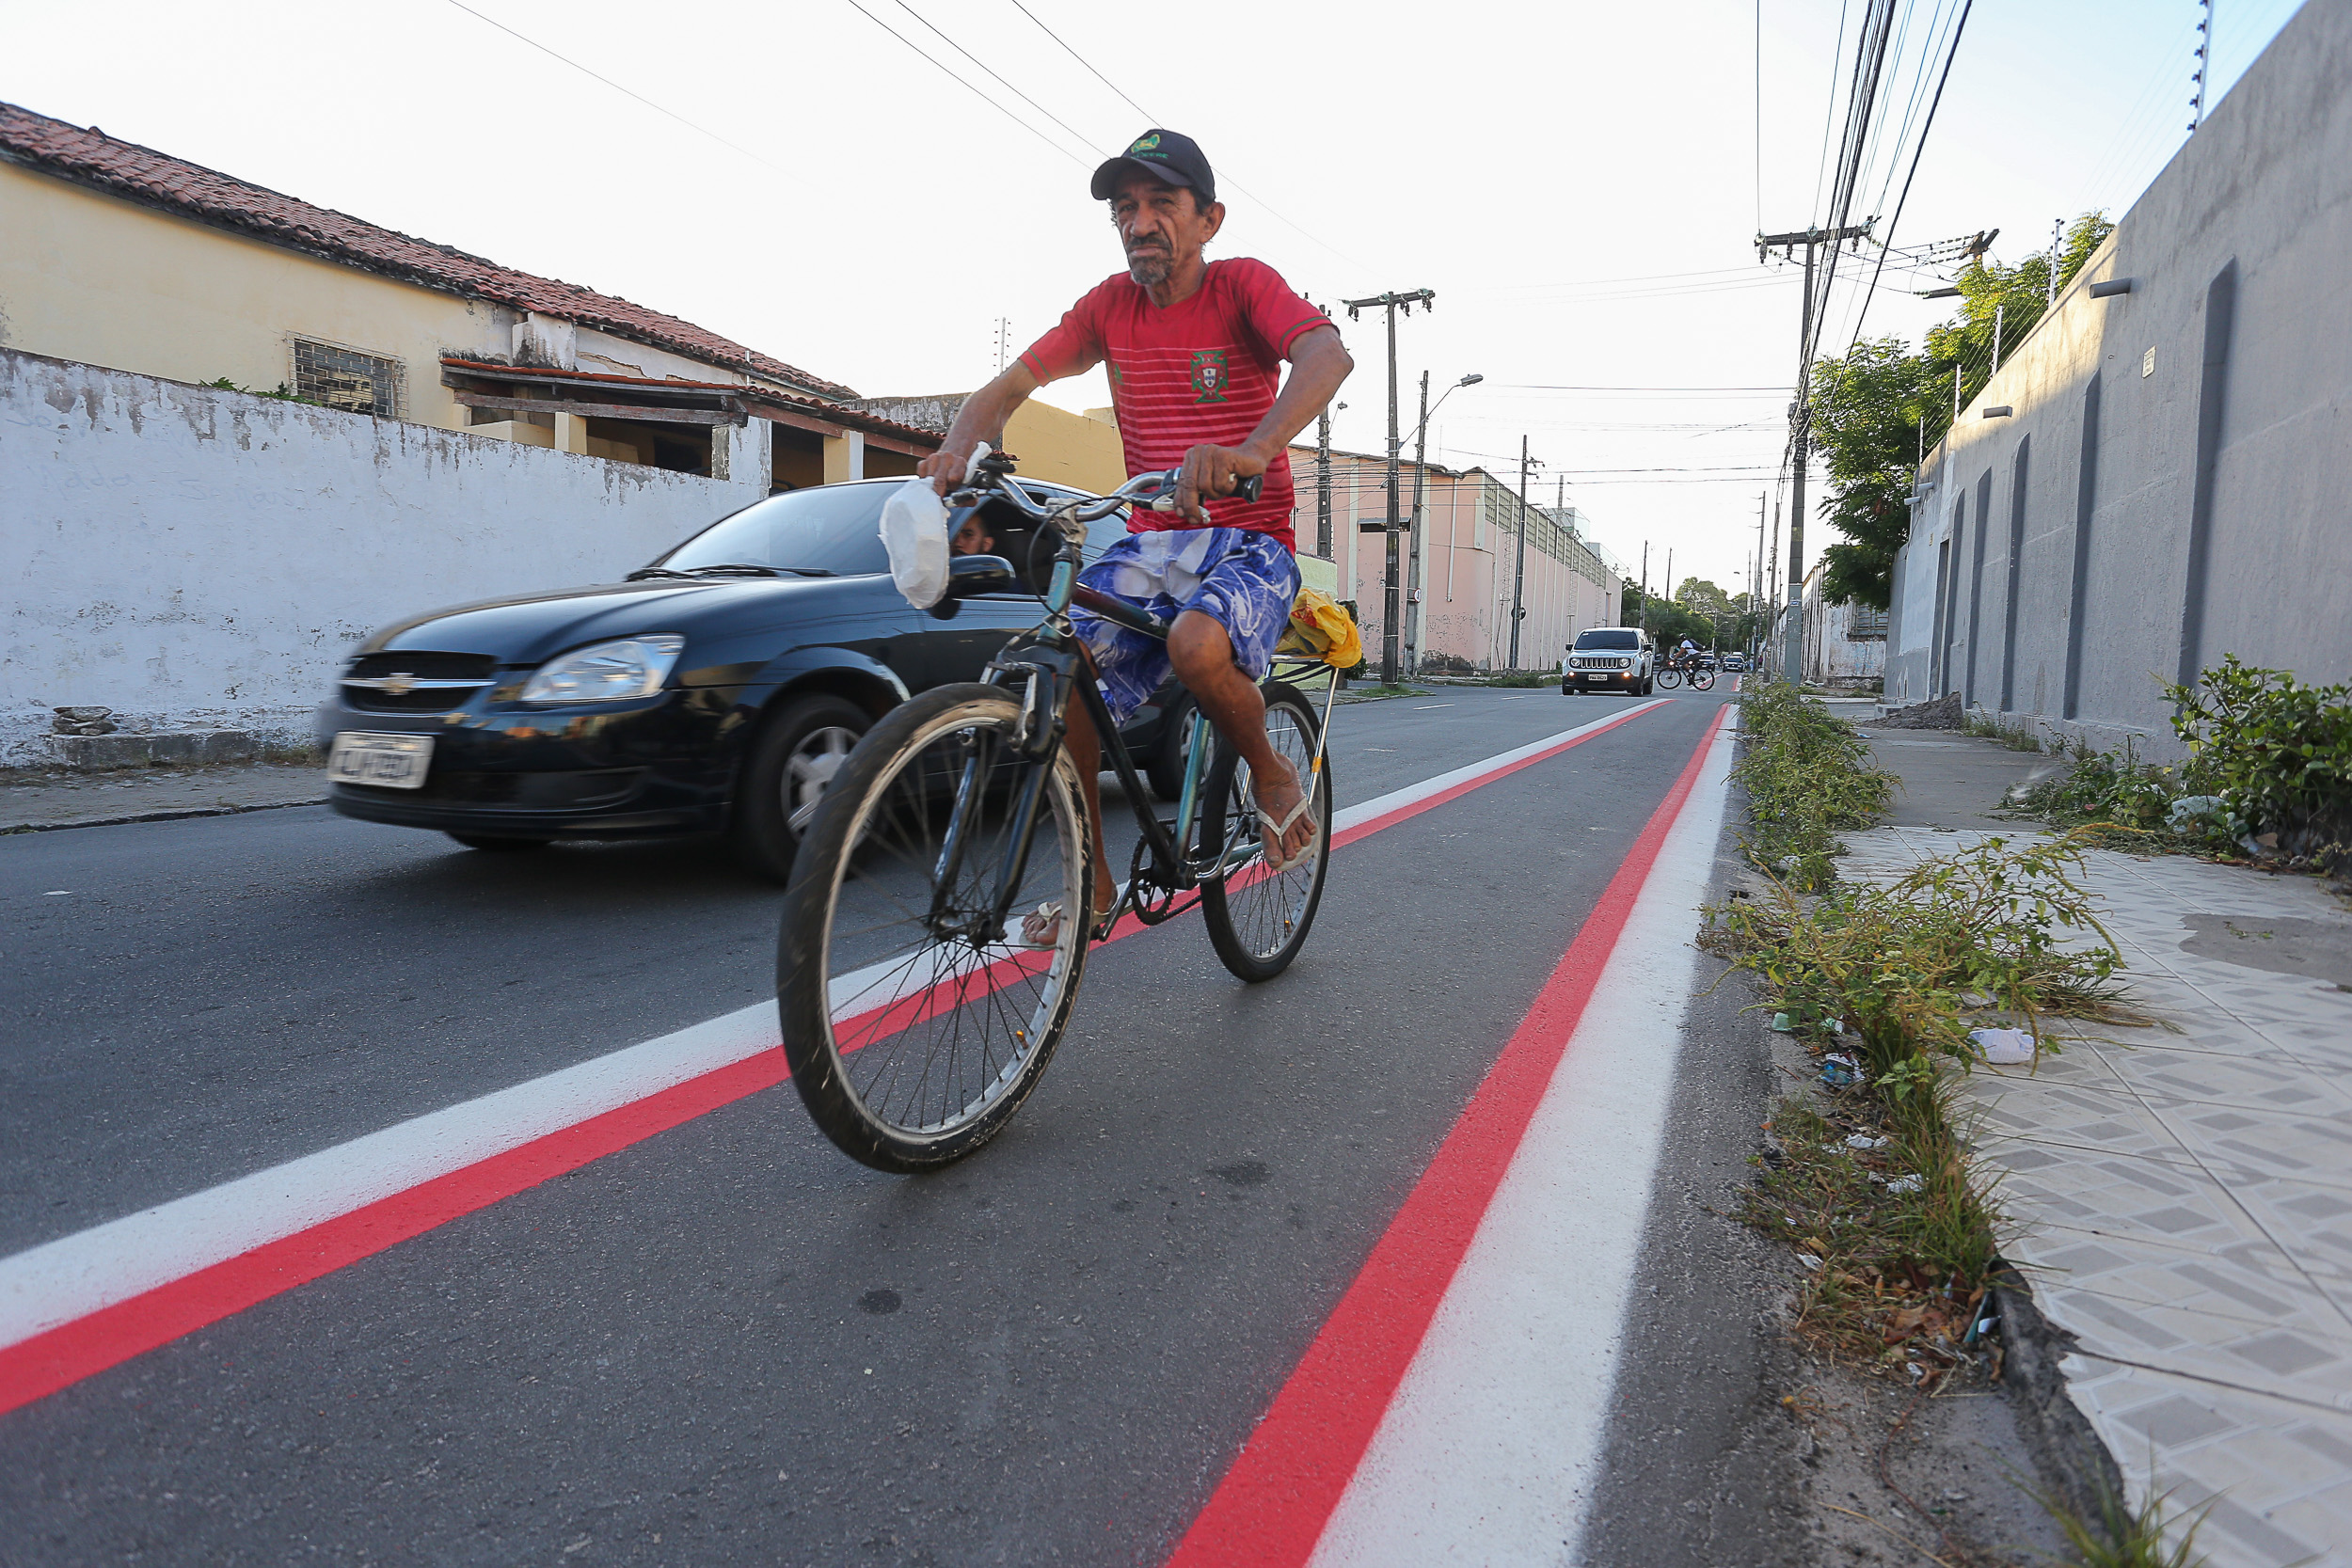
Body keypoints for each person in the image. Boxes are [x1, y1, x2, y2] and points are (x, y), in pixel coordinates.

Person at [916, 129, 1353, 941]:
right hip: (1151, 540)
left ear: (1208, 219)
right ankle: (1095, 881)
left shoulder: (1242, 287)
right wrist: (956, 447)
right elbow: (1008, 386)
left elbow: (1327, 355)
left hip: (1251, 541)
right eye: (1125, 208)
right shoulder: (1107, 309)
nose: (1139, 223)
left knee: (1195, 645)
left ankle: (1272, 769)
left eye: (1161, 204)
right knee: (1067, 663)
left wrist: (1252, 449)